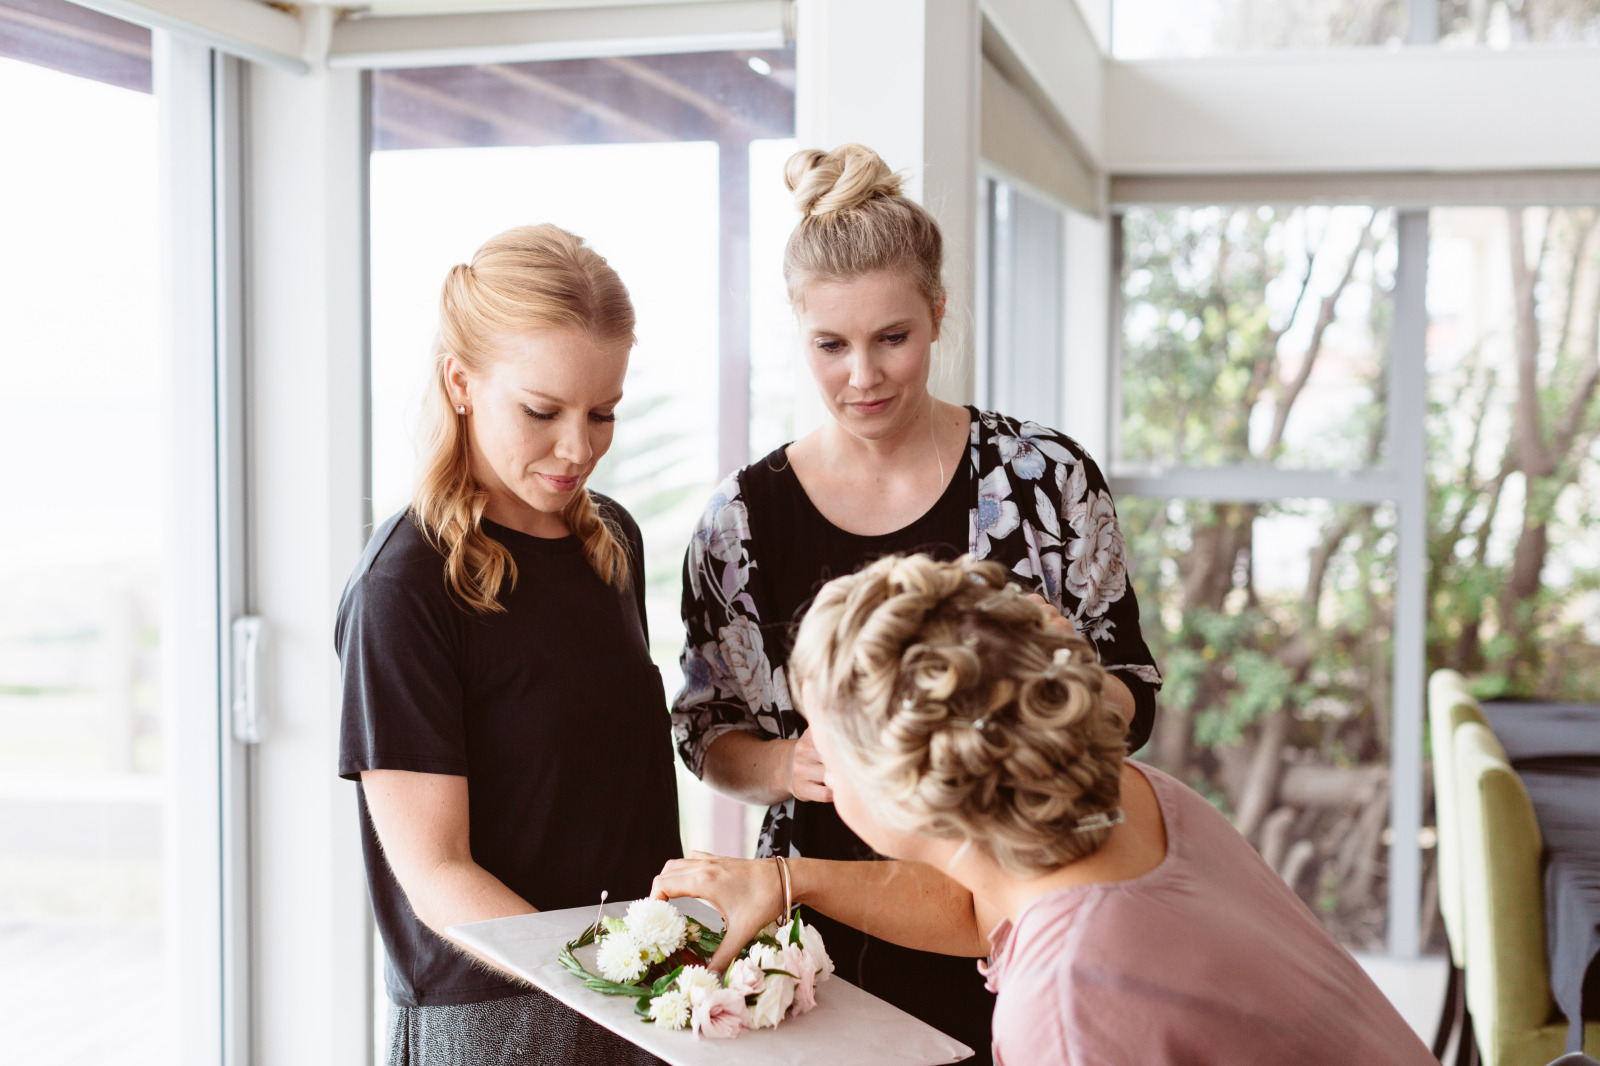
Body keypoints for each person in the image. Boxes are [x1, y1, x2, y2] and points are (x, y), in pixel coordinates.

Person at [670, 143, 1161, 1059]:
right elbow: (707, 735)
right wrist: (787, 766)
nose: (863, 376)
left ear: (938, 314)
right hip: (819, 936)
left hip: (1031, 911)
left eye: (892, 338)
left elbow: (1131, 687)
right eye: (831, 346)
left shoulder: (1047, 481)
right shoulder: (738, 524)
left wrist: (1041, 718)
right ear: (799, 332)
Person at [656, 554, 1438, 1065]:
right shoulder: (1133, 796)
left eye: (820, 735)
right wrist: (789, 881)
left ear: (907, 787)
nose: (810, 754)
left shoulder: (1066, 1004)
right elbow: (986, 907)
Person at [336, 225, 679, 1066]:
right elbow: (437, 875)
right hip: (501, 1018)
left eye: (603, 413)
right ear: (461, 382)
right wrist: (603, 979)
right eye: (541, 411)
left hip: (639, 988)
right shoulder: (404, 587)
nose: (578, 448)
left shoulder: (611, 542)